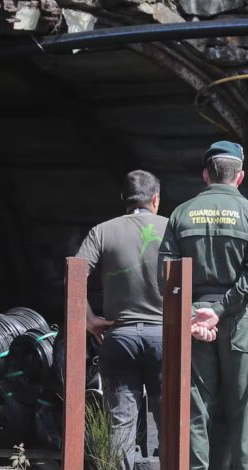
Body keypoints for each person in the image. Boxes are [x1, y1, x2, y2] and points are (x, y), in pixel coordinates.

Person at [158, 141, 248, 470]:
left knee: (195, 411)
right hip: (238, 323)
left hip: (192, 325)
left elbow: (166, 276)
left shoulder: (180, 213)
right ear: (240, 177)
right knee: (247, 412)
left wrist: (194, 317)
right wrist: (220, 311)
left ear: (205, 175)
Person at [75, 169, 167, 470]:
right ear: (155, 199)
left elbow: (73, 277)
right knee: (167, 416)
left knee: (121, 421)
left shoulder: (102, 231)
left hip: (119, 337)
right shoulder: (172, 229)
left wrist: (89, 319)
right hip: (163, 337)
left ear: (123, 200)